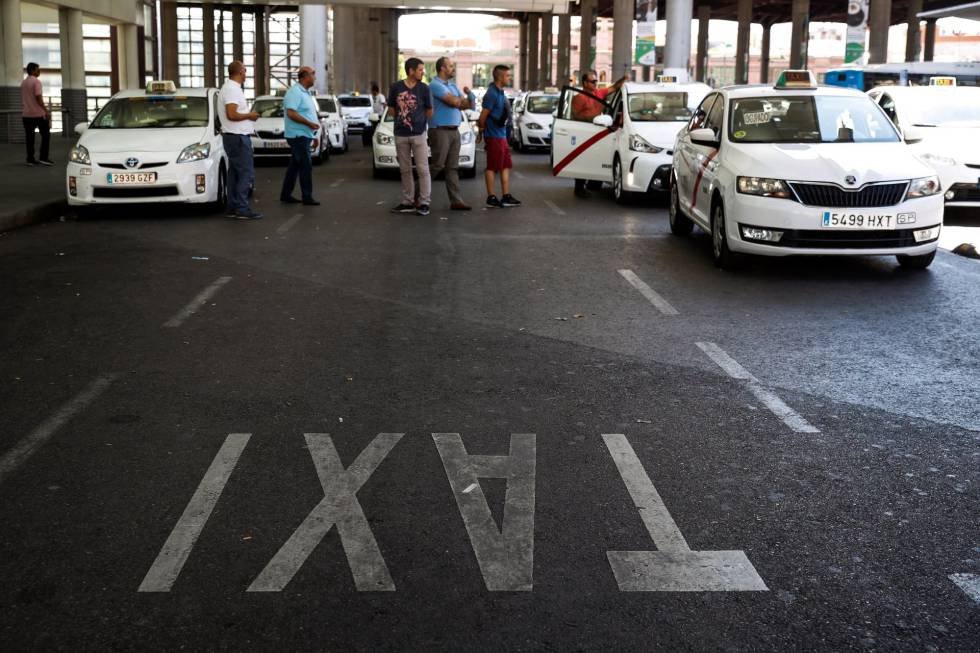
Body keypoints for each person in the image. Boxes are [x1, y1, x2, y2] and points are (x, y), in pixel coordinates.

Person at [428, 56, 476, 211]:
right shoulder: (435, 85)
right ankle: (417, 196)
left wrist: (467, 98)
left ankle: (456, 201)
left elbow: (465, 105)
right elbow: (455, 102)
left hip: (454, 130)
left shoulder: (453, 86)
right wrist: (462, 100)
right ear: (442, 68)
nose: (453, 68)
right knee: (437, 166)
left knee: (452, 168)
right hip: (440, 130)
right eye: (450, 66)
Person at [386, 57, 432, 216]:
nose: (422, 72)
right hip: (400, 134)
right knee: (405, 170)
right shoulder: (395, 87)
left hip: (419, 134)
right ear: (411, 71)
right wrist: (403, 119)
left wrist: (419, 122)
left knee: (423, 169)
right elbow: (391, 109)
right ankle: (408, 202)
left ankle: (424, 202)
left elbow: (429, 111)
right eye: (420, 70)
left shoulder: (424, 88)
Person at [570, 72, 627, 198]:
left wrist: (624, 78)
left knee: (596, 156)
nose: (595, 83)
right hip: (584, 131)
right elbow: (575, 116)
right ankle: (579, 187)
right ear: (585, 83)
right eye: (593, 81)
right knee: (583, 159)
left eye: (596, 81)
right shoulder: (579, 98)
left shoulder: (599, 93)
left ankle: (593, 183)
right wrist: (592, 119)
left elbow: (614, 87)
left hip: (598, 130)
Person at [219, 61, 262, 219]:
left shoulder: (230, 88)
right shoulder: (232, 89)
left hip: (233, 136)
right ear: (239, 72)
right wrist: (250, 115)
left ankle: (233, 207)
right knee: (246, 173)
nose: (246, 73)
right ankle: (242, 208)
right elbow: (232, 114)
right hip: (237, 137)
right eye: (245, 70)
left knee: (235, 174)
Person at [477, 65, 520, 209]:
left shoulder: (500, 92)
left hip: (501, 135)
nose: (510, 78)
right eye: (508, 75)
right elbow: (482, 117)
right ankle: (491, 197)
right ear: (500, 77)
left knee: (505, 165)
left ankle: (506, 196)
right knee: (492, 167)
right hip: (494, 136)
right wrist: (481, 132)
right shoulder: (492, 94)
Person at [279, 66, 321, 206]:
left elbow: (308, 114)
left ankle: (286, 194)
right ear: (305, 76)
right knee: (305, 165)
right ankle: (307, 196)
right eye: (313, 73)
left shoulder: (305, 92)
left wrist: (314, 135)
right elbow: (291, 113)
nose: (315, 76)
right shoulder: (295, 92)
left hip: (304, 134)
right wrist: (309, 124)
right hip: (298, 135)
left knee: (295, 165)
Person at [21, 63, 52, 166]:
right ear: (33, 71)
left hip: (26, 115)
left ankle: (30, 159)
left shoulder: (23, 82)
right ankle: (43, 158)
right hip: (38, 114)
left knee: (29, 138)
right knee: (46, 135)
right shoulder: (36, 82)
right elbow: (38, 97)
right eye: (38, 70)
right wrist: (46, 111)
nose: (39, 72)